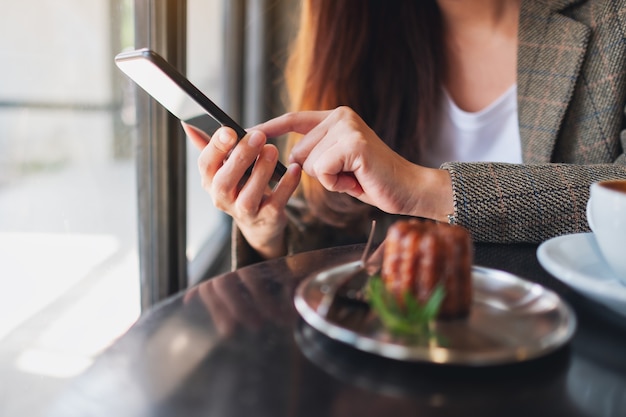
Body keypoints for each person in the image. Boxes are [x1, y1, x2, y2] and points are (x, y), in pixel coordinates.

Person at [183, 0, 626, 269]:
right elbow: (331, 228)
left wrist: (426, 189)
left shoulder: (612, 20)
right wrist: (266, 233)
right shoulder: (363, 33)